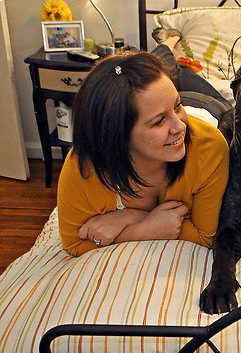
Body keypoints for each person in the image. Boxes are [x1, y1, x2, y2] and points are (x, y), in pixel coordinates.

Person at [57, 38, 230, 256]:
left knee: (181, 73)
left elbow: (205, 237)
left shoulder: (210, 148)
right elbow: (73, 243)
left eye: (177, 108)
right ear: (117, 136)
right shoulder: (84, 166)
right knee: (162, 73)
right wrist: (142, 228)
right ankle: (166, 48)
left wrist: (127, 217)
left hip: (206, 106)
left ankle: (166, 46)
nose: (179, 126)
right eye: (158, 122)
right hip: (159, 100)